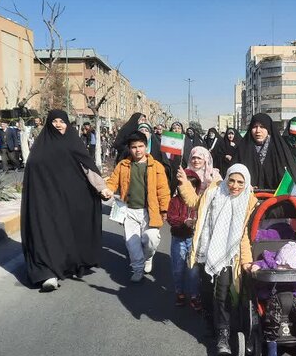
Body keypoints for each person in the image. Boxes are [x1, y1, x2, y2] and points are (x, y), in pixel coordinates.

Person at [175, 163, 257, 356]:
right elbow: (195, 203)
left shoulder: (247, 201)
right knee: (205, 293)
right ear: (226, 178)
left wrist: (246, 260)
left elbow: (242, 235)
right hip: (206, 251)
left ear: (246, 184)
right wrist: (183, 183)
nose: (235, 185)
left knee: (221, 295)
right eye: (232, 180)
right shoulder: (214, 191)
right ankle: (210, 323)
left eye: (240, 182)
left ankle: (223, 336)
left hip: (229, 257)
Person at [21, 110, 107, 291]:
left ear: (68, 123)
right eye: (54, 121)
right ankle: (47, 273)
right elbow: (32, 172)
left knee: (67, 235)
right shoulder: (40, 147)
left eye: (62, 121)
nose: (58, 124)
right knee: (45, 233)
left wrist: (102, 188)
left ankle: (67, 264)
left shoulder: (73, 143)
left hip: (70, 201)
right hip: (44, 202)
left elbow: (87, 167)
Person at [101, 131, 171, 282]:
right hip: (129, 211)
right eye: (134, 147)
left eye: (141, 146)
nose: (138, 150)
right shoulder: (123, 165)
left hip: (149, 211)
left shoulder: (156, 166)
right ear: (129, 148)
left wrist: (164, 210)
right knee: (132, 243)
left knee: (151, 239)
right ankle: (138, 269)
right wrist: (108, 190)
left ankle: (148, 257)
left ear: (146, 147)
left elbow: (163, 190)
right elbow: (113, 181)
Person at [249, 241, 296, 356]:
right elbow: (260, 264)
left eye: (288, 267)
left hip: (294, 296)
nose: (285, 269)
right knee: (272, 315)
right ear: (278, 261)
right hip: (273, 295)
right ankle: (272, 345)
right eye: (282, 266)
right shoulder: (270, 262)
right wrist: (256, 266)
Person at [237, 113, 296, 214]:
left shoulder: (279, 149)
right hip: (246, 206)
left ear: (268, 129)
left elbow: (290, 178)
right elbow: (233, 175)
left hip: (276, 206)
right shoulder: (242, 149)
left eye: (262, 127)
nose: (258, 131)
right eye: (254, 127)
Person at [167, 169, 202, 310]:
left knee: (193, 270)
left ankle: (194, 296)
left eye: (193, 185)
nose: (190, 188)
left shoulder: (199, 201)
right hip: (178, 238)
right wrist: (184, 221)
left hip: (193, 239)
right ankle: (179, 292)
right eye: (186, 184)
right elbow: (171, 218)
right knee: (178, 268)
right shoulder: (174, 201)